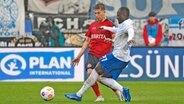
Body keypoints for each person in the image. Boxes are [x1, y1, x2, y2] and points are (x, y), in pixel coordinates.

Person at [65, 6, 134, 102]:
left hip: (115, 55)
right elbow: (117, 32)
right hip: (111, 56)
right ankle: (122, 90)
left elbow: (130, 31)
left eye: (118, 15)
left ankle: (79, 95)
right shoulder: (120, 25)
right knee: (100, 77)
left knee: (95, 73)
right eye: (95, 13)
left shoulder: (126, 24)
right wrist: (107, 31)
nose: (117, 17)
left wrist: (130, 38)